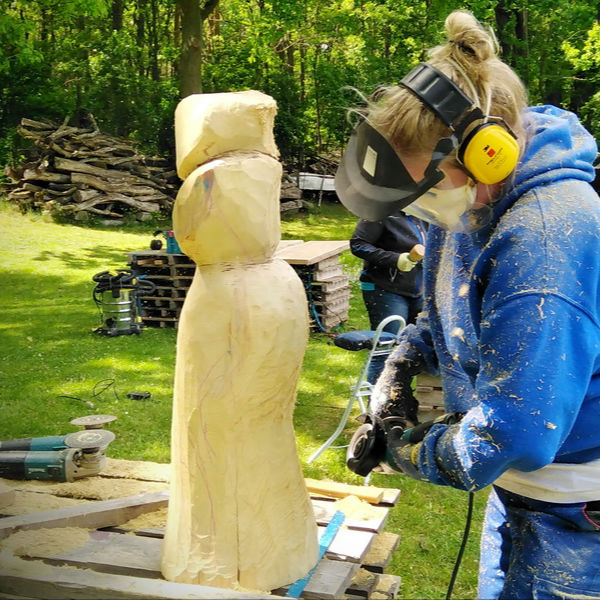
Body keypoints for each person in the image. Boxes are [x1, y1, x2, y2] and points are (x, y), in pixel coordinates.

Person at [335, 9, 600, 600]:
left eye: (426, 189)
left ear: (489, 154)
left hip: (576, 508)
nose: (419, 210)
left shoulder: (546, 237)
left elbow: (518, 432)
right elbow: (449, 308)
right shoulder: (472, 205)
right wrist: (402, 362)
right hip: (523, 490)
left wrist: (406, 451)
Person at [350, 214, 427, 383]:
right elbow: (358, 244)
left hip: (418, 289)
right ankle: (378, 397)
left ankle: (399, 394)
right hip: (385, 288)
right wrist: (395, 259)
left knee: (411, 349)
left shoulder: (423, 214)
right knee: (386, 347)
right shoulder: (380, 212)